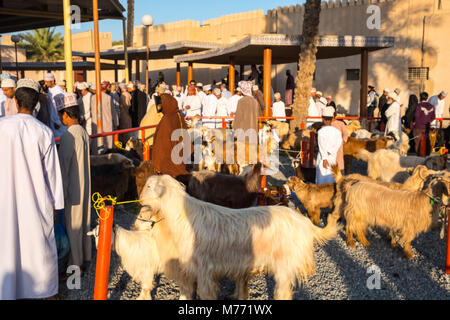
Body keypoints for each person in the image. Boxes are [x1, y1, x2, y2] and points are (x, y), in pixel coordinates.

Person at [0, 79, 64, 300]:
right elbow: (53, 175)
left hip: (5, 201)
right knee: (39, 250)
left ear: (16, 101)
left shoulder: (2, 127)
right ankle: (45, 293)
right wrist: (56, 206)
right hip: (36, 201)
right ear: (37, 103)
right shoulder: (43, 132)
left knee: (7, 247)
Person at [56, 92, 91, 275]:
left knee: (73, 225)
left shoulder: (68, 135)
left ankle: (75, 266)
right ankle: (84, 257)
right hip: (83, 186)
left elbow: (62, 167)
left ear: (66, 115)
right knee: (83, 221)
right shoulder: (83, 131)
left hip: (73, 188)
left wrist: (59, 193)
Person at [152, 94, 190, 183]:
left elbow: (162, 144)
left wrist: (158, 164)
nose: (159, 106)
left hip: (169, 161)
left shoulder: (166, 120)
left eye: (161, 103)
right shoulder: (178, 116)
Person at [316, 107, 343, 185]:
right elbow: (338, 144)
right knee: (331, 179)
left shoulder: (321, 132)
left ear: (323, 119)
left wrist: (324, 158)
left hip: (322, 158)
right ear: (332, 119)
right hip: (332, 157)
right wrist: (330, 152)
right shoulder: (337, 132)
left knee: (321, 180)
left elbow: (321, 146)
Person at [44, 73, 67, 139]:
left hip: (57, 122)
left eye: (47, 82)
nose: (45, 84)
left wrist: (58, 122)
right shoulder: (49, 90)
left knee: (59, 140)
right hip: (52, 121)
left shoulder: (58, 91)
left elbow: (60, 108)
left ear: (52, 81)